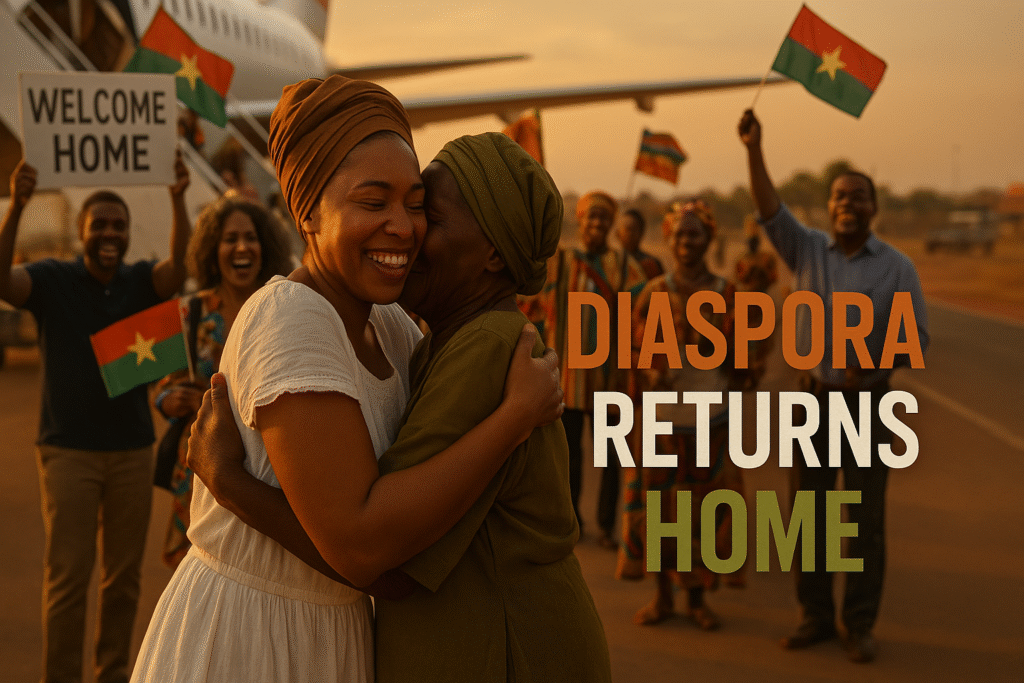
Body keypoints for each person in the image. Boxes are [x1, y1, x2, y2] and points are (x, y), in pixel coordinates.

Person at [130, 77, 562, 683]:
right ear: (307, 211)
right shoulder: (294, 322)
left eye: (416, 204)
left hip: (330, 631)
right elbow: (363, 550)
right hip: (254, 638)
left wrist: (234, 482)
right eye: (373, 201)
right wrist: (514, 418)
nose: (403, 226)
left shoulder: (390, 324)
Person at [738, 108, 930, 663]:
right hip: (813, 402)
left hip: (869, 406)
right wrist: (755, 147)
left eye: (859, 196)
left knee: (864, 521)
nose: (848, 203)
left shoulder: (898, 268)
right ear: (829, 207)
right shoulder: (806, 250)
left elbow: (914, 339)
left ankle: (859, 624)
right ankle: (815, 615)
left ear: (874, 208)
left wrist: (871, 363)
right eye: (840, 196)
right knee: (810, 515)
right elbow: (768, 205)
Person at [0, 154, 190, 683]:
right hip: (67, 452)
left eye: (118, 225)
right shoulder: (51, 279)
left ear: (128, 234)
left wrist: (177, 197)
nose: (109, 233)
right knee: (67, 579)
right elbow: (2, 282)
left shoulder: (139, 281)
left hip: (131, 451)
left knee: (123, 580)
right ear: (82, 233)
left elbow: (178, 270)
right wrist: (16, 206)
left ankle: (111, 674)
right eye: (99, 225)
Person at [616, 200, 756, 630]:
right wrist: (650, 368)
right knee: (659, 511)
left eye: (694, 234)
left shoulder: (728, 293)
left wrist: (737, 363)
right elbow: (629, 351)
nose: (686, 242)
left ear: (708, 239)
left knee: (706, 511)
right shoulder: (648, 294)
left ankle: (697, 598)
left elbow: (748, 361)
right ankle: (662, 597)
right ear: (669, 239)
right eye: (679, 234)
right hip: (660, 425)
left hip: (710, 424)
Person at [152, 197, 292, 568]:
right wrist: (170, 399)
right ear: (213, 251)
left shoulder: (283, 307)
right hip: (201, 466)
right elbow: (162, 389)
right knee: (198, 568)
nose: (242, 247)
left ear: (266, 248)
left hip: (269, 465)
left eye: (250, 237)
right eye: (230, 239)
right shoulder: (190, 310)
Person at [522, 191, 649, 549]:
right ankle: (572, 521)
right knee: (568, 456)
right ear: (580, 222)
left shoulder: (623, 265)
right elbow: (531, 296)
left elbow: (642, 308)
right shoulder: (561, 261)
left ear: (611, 225)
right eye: (590, 218)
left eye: (603, 219)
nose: (596, 225)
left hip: (610, 380)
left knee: (611, 456)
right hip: (569, 379)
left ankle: (607, 525)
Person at [616, 207, 664, 280]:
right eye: (627, 229)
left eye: (634, 229)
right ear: (617, 233)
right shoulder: (610, 263)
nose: (630, 234)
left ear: (641, 232)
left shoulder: (651, 265)